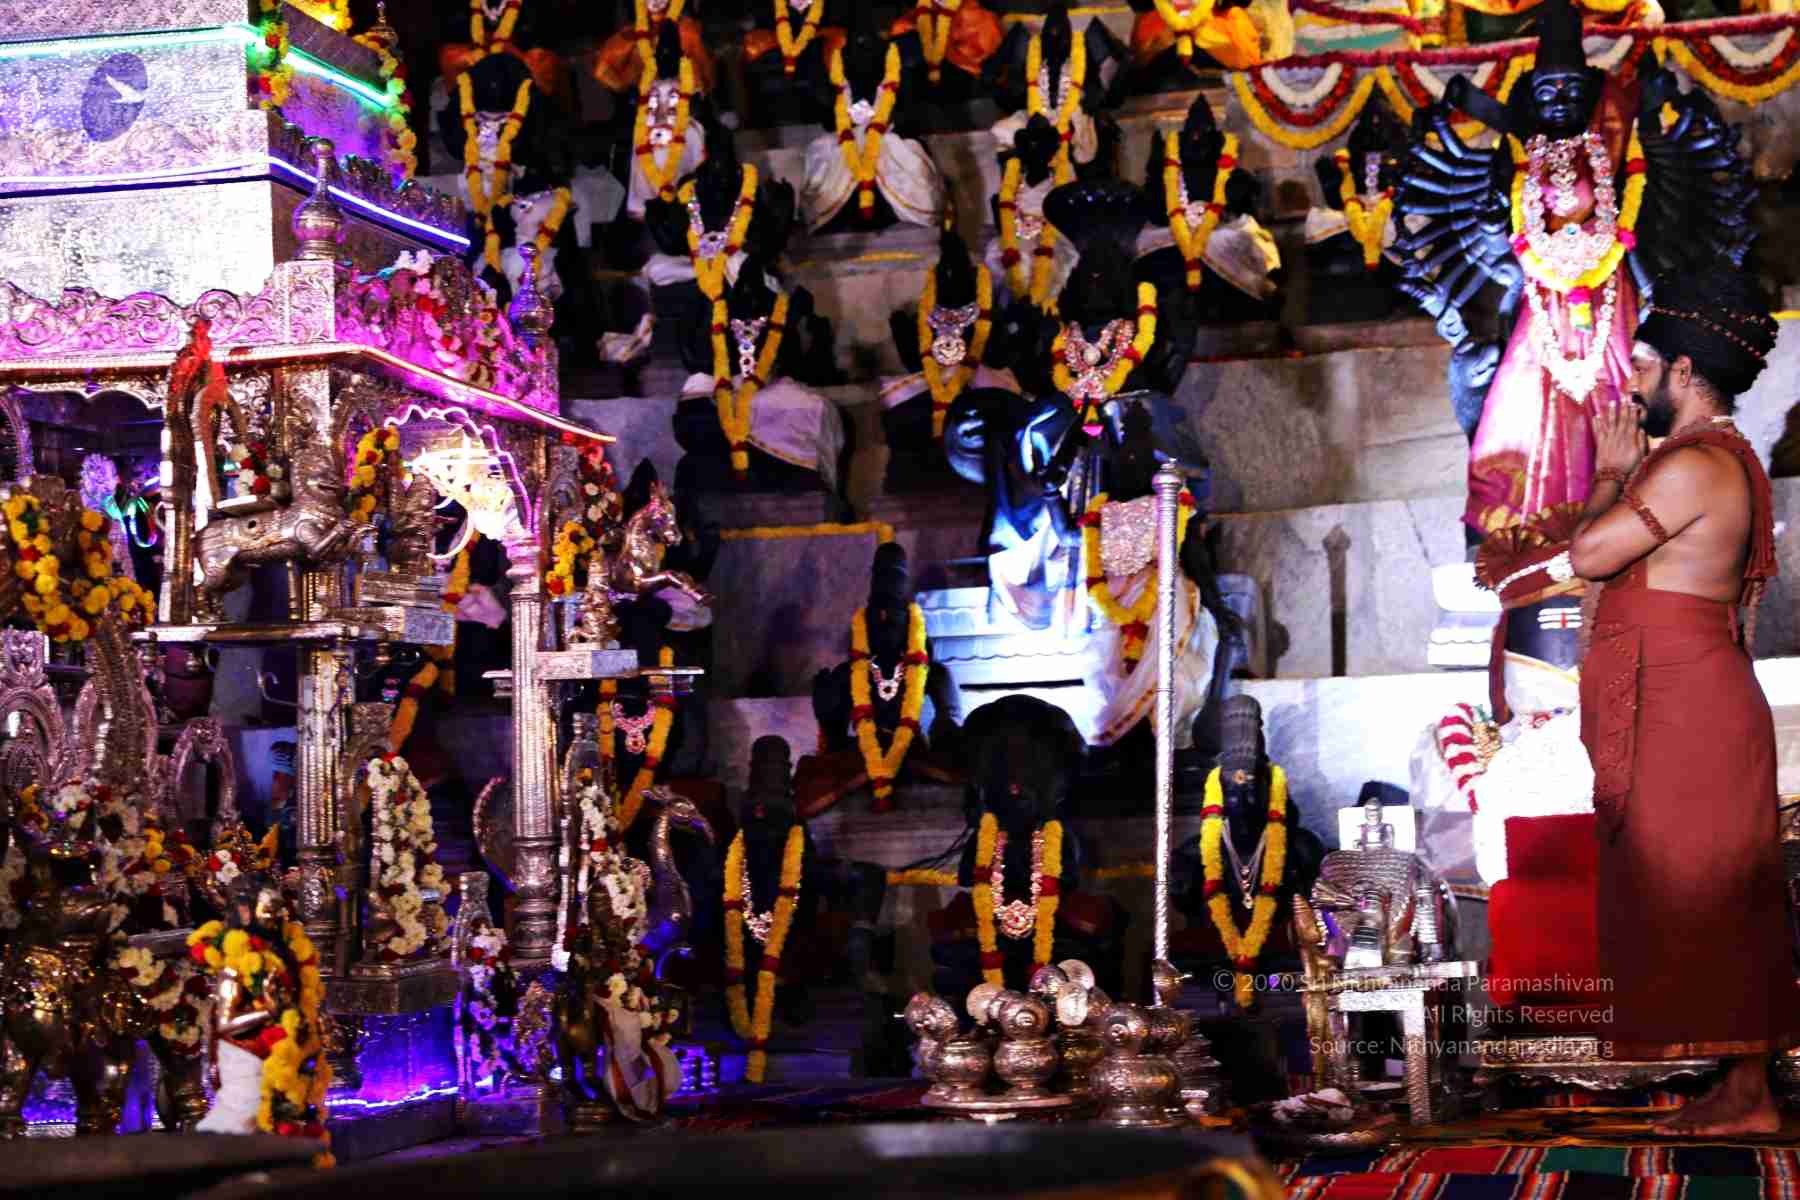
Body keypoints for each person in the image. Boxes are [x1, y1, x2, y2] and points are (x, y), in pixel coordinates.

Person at [1568, 266, 1795, 1136]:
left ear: (1686, 373)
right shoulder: (1695, 460)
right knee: (1699, 894)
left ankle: (1750, 1095)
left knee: (1710, 894)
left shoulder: (1696, 464)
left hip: (1689, 705)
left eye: (1643, 364)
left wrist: (1608, 474)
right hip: (1679, 698)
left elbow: (1590, 555)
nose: (1632, 382)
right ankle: (1742, 1091)